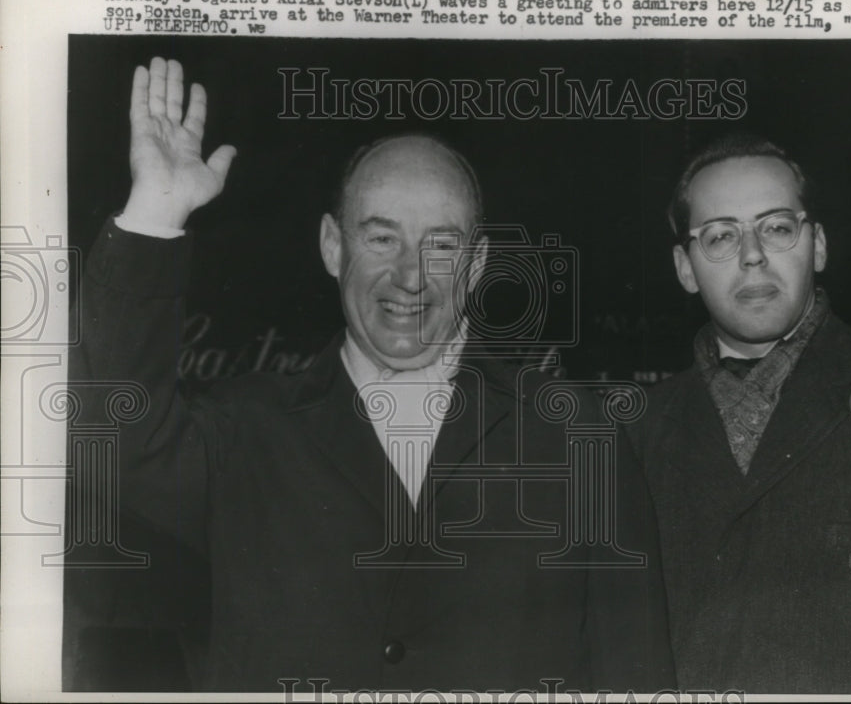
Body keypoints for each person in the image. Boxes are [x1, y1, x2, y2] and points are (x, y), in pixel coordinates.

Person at [72, 57, 673, 692]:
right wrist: (153, 216)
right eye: (381, 238)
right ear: (333, 247)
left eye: (441, 244)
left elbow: (633, 676)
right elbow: (112, 439)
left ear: (479, 262)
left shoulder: (580, 440)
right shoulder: (238, 430)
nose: (410, 276)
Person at [632, 134, 851, 694]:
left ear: (818, 246)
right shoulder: (634, 434)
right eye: (719, 236)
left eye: (777, 226)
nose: (752, 253)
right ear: (684, 269)